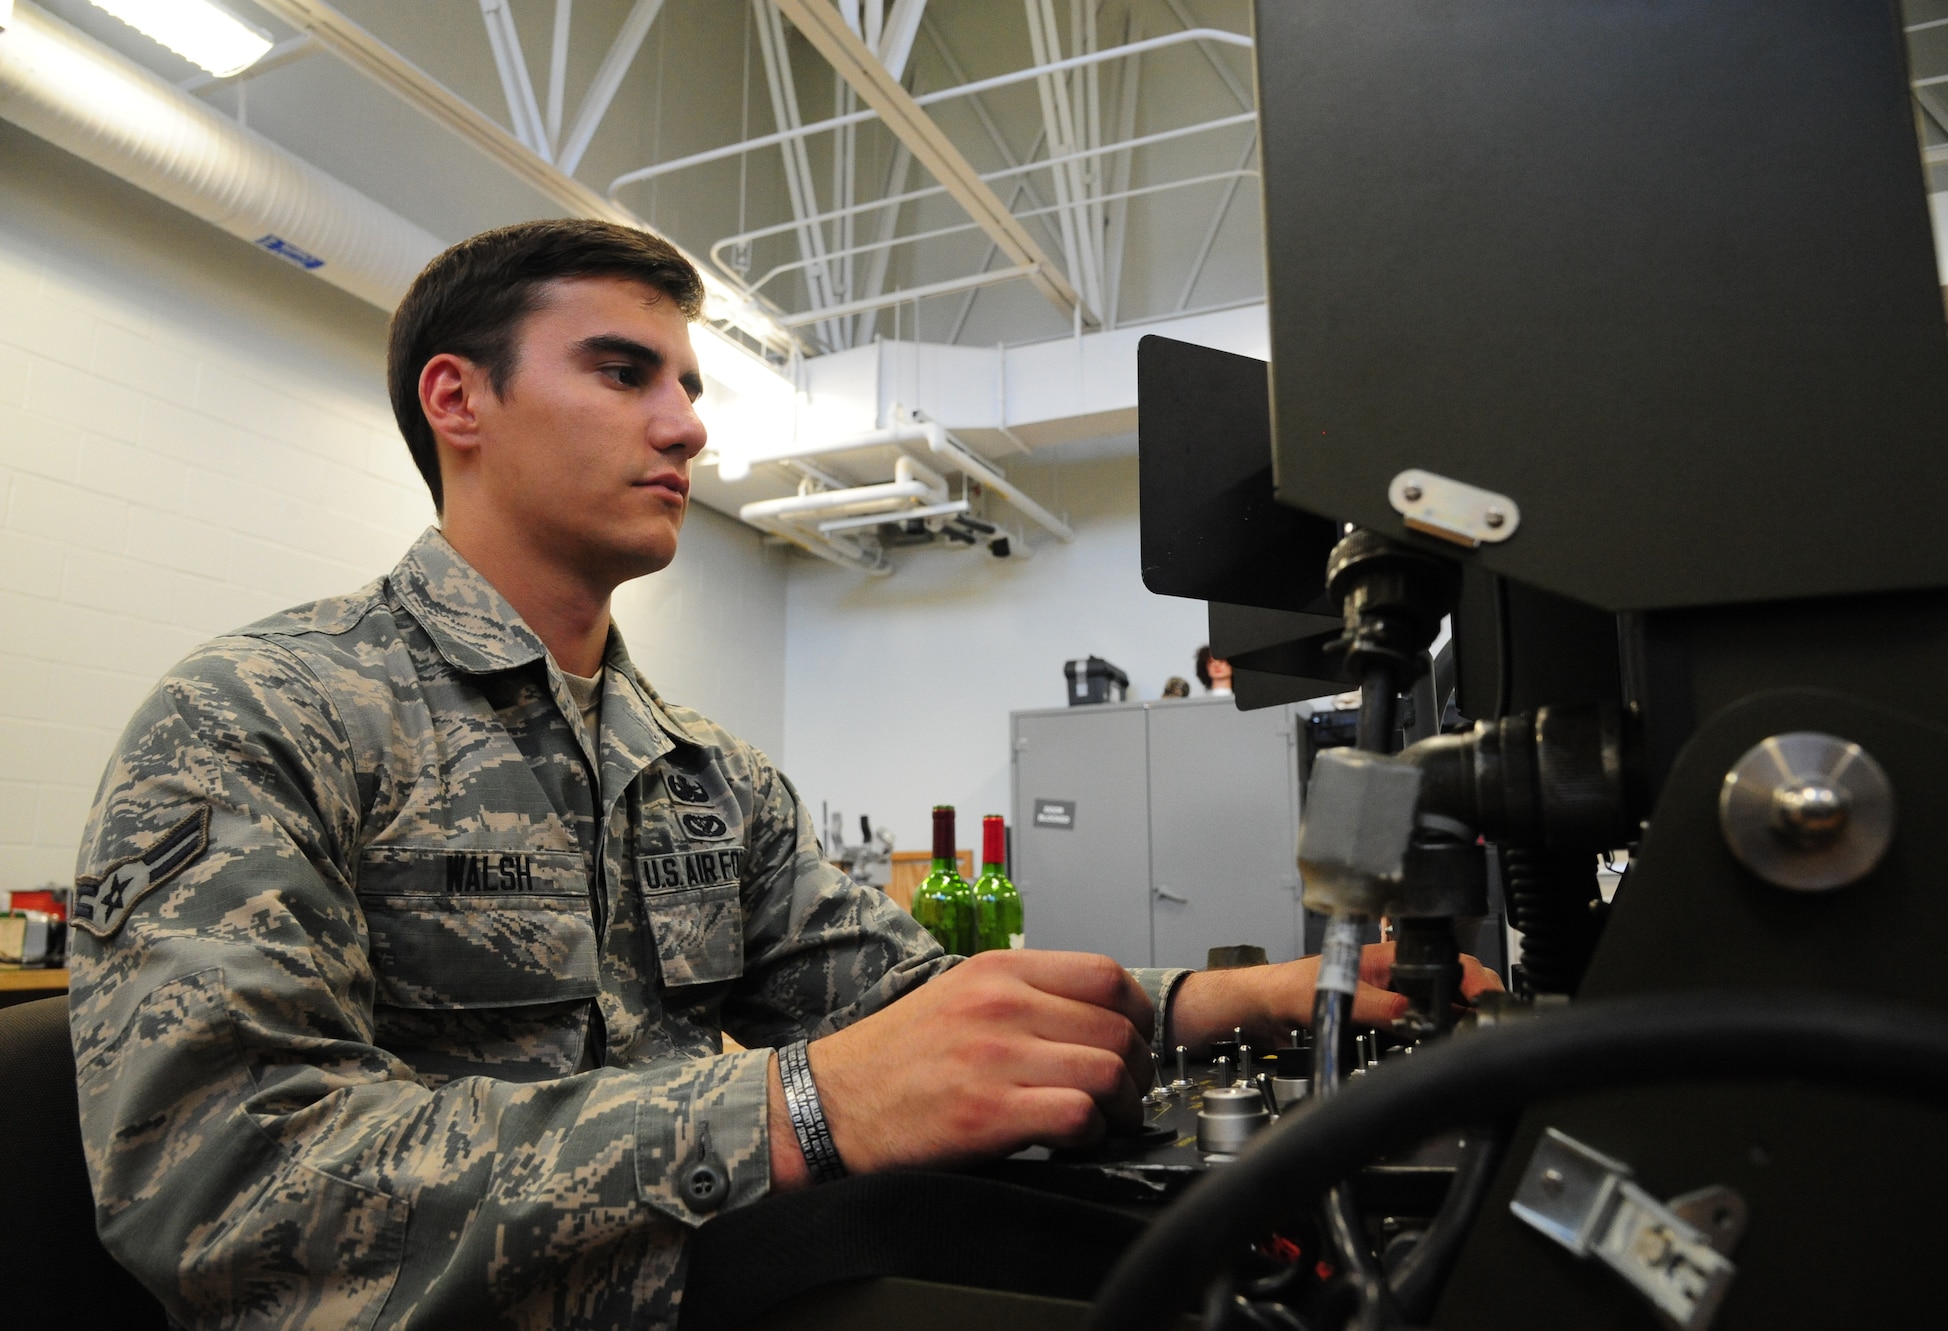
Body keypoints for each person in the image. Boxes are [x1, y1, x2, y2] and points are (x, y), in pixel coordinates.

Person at [68, 220, 1499, 1328]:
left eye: (689, 384)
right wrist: (795, 1108)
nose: (688, 425)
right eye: (624, 372)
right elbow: (230, 1193)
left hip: (744, 1283)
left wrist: (1215, 1002)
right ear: (461, 400)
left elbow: (903, 1007)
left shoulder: (702, 772)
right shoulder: (265, 713)